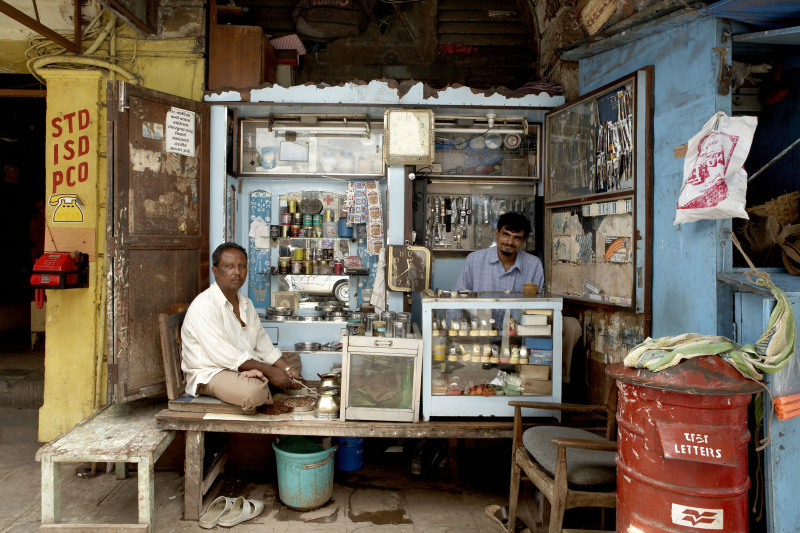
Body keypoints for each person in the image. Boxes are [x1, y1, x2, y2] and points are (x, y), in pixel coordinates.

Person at [451, 212, 581, 382]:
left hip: (518, 338)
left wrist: (523, 335)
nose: (510, 242)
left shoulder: (533, 264)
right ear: (496, 233)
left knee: (571, 325)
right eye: (506, 234)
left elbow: (540, 308)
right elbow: (455, 301)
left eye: (517, 238)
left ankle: (557, 382)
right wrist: (458, 332)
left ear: (523, 241)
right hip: (480, 336)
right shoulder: (475, 260)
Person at [181, 242, 302, 411]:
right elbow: (224, 355)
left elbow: (261, 342)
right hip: (213, 372)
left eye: (242, 266)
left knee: (292, 361)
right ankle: (263, 384)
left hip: (238, 364)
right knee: (254, 391)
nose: (237, 272)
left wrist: (287, 368)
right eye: (229, 266)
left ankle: (264, 380)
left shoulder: (246, 303)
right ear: (215, 271)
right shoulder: (205, 305)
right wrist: (269, 371)